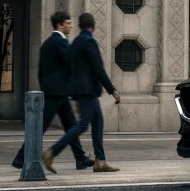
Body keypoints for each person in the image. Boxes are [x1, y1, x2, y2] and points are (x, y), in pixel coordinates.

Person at [11, 11, 93, 170]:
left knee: (71, 125)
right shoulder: (60, 43)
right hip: (57, 93)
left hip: (56, 92)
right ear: (60, 25)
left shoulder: (48, 43)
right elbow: (70, 65)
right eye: (68, 23)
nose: (71, 26)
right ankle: (20, 159)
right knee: (40, 127)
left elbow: (41, 71)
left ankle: (80, 158)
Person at [43, 12, 121, 173]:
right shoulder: (89, 41)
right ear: (93, 26)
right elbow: (98, 69)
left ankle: (100, 160)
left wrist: (74, 96)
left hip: (82, 92)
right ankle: (52, 151)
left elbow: (70, 70)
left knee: (98, 123)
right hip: (88, 91)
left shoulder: (76, 42)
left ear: (80, 25)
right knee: (83, 125)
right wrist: (112, 90)